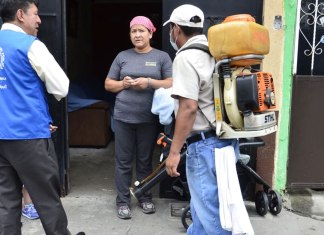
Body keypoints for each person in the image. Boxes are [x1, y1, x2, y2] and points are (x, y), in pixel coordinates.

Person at [0, 1, 84, 234]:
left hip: (1, 134)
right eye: (35, 14)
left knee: (7, 202)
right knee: (47, 199)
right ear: (20, 15)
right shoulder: (30, 45)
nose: (39, 20)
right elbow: (61, 87)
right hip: (28, 135)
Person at [163, 4, 240, 235]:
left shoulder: (185, 58)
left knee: (212, 218)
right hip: (225, 140)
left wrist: (174, 152)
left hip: (204, 145)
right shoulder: (216, 52)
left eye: (171, 29)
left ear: (176, 29)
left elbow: (188, 108)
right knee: (206, 212)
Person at [104, 15, 172, 219]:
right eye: (133, 31)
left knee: (144, 161)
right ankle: (123, 201)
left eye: (141, 30)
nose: (137, 34)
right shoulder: (122, 56)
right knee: (123, 161)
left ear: (151, 32)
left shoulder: (162, 57)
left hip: (148, 119)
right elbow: (108, 84)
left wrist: (149, 82)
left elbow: (171, 82)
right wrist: (123, 84)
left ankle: (144, 197)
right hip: (123, 117)